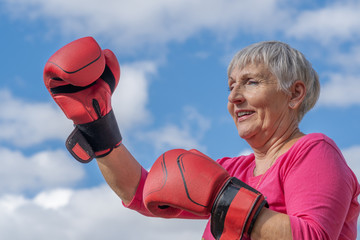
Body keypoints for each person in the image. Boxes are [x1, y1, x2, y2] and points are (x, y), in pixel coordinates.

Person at [44, 37, 360, 239]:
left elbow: (314, 237)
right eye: (230, 86)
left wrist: (225, 199)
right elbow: (140, 192)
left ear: (295, 94)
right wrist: (97, 124)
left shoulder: (313, 151)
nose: (234, 97)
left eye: (250, 83)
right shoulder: (232, 171)